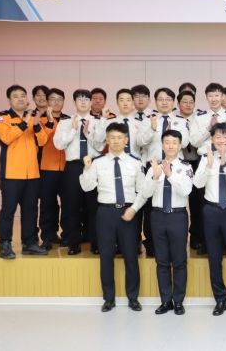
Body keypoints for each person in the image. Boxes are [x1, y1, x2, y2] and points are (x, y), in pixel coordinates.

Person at [80, 122, 146, 312]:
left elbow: (143, 191)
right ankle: (108, 298)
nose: (116, 141)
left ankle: (133, 298)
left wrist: (133, 209)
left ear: (126, 140)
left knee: (131, 256)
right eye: (112, 138)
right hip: (105, 213)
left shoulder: (135, 162)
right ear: (107, 140)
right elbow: (87, 187)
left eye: (119, 138)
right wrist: (86, 169)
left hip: (128, 212)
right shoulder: (97, 162)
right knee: (106, 256)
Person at [193, 122, 226, 315]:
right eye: (218, 137)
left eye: (225, 137)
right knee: (214, 257)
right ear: (212, 139)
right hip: (212, 211)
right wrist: (209, 165)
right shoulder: (205, 157)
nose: (221, 140)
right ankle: (220, 299)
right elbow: (197, 184)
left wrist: (225, 163)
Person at [137, 129, 192, 315]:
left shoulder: (185, 167)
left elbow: (186, 191)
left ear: (180, 145)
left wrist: (170, 175)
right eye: (167, 142)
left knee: (179, 261)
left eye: (174, 143)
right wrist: (155, 176)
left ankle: (178, 301)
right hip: (158, 216)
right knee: (161, 261)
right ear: (162, 145)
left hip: (177, 216)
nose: (170, 146)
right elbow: (145, 193)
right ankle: (166, 300)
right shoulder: (154, 166)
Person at [0, 85, 50, 258]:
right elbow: (7, 137)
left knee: (30, 210)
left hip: (32, 174)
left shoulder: (34, 117)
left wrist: (36, 124)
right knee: (8, 210)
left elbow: (42, 141)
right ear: (9, 100)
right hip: (11, 174)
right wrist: (25, 122)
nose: (20, 99)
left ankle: (29, 243)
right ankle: (5, 244)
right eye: (16, 96)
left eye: (23, 96)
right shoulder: (2, 117)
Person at [53, 89, 105, 254]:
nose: (83, 102)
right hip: (74, 166)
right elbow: (58, 145)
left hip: (93, 165)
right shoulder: (65, 123)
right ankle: (73, 243)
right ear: (74, 102)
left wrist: (88, 133)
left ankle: (96, 243)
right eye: (79, 99)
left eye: (86, 99)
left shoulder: (98, 122)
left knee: (94, 206)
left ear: (91, 103)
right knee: (71, 206)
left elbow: (100, 146)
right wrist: (73, 130)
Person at [38, 88, 69, 250]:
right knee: (48, 204)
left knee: (68, 204)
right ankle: (48, 236)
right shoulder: (40, 120)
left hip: (66, 168)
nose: (56, 102)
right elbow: (41, 141)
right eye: (53, 99)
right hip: (47, 168)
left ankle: (67, 235)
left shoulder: (69, 120)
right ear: (47, 101)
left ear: (63, 101)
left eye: (60, 99)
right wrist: (49, 121)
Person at [177, 89, 206, 254]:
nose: (188, 105)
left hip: (197, 162)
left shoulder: (200, 118)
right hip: (180, 163)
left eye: (191, 102)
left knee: (197, 202)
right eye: (184, 102)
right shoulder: (174, 119)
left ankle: (196, 236)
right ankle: (179, 237)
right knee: (180, 199)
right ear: (178, 103)